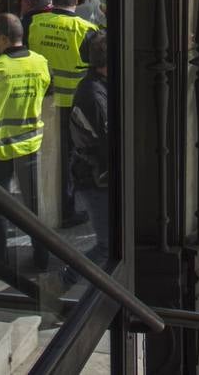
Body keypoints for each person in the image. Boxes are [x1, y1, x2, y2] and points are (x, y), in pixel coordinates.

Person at [0, 13, 51, 270]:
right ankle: (42, 256)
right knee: (33, 207)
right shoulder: (41, 62)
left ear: (3, 38)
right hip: (30, 144)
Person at [28, 0, 99, 228]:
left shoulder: (35, 22)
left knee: (49, 155)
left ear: (52, 0)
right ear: (76, 0)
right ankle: (65, 211)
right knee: (67, 157)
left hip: (45, 100)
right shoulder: (85, 28)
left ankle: (46, 205)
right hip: (73, 103)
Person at [70, 30, 111, 273]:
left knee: (113, 244)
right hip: (95, 179)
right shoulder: (94, 94)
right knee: (107, 247)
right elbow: (107, 141)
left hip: (97, 175)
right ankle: (63, 282)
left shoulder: (98, 85)